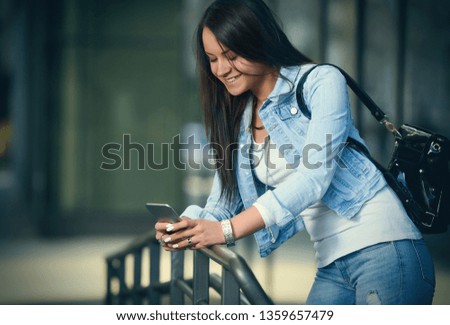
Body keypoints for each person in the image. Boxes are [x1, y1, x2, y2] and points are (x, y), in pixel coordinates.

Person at [155, 0, 435, 304]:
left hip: (384, 247)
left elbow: (314, 177)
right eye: (212, 59)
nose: (221, 70)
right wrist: (186, 226)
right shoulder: (239, 118)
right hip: (330, 263)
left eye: (231, 56)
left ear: (257, 40)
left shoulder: (321, 81)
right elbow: (222, 204)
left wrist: (228, 230)